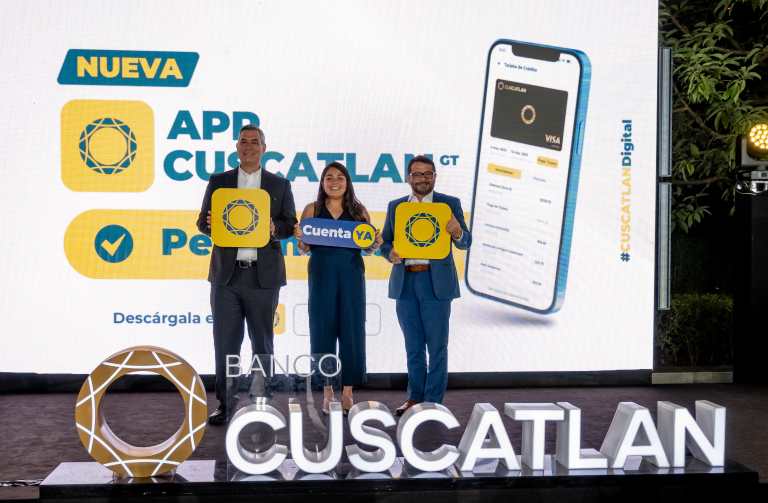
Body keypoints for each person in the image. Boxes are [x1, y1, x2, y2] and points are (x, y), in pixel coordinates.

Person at [197, 124, 297, 425]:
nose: (249, 146)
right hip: (226, 278)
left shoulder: (279, 185)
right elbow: (202, 223)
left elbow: (289, 225)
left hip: (262, 277)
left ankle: (261, 402)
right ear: (237, 147)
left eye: (255, 142)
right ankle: (226, 403)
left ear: (264, 148)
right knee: (225, 343)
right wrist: (211, 224)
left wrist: (275, 229)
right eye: (244, 141)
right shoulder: (219, 182)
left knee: (262, 343)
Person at [380, 155, 471, 415]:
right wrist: (389, 253)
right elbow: (385, 242)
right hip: (405, 282)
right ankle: (414, 398)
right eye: (417, 174)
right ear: (408, 177)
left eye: (428, 173)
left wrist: (457, 231)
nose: (423, 178)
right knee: (413, 345)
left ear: (434, 177)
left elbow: (466, 242)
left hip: (436, 283)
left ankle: (433, 402)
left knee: (437, 346)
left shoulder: (449, 204)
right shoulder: (396, 206)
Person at [294, 162, 381, 414]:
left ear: (347, 182)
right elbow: (304, 248)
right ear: (322, 183)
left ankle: (348, 392)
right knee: (322, 330)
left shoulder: (359, 210)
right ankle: (327, 391)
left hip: (351, 275)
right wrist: (300, 240)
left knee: (352, 330)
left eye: (340, 177)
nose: (334, 182)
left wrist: (375, 243)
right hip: (321, 274)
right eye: (329, 177)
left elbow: (368, 248)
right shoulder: (312, 209)